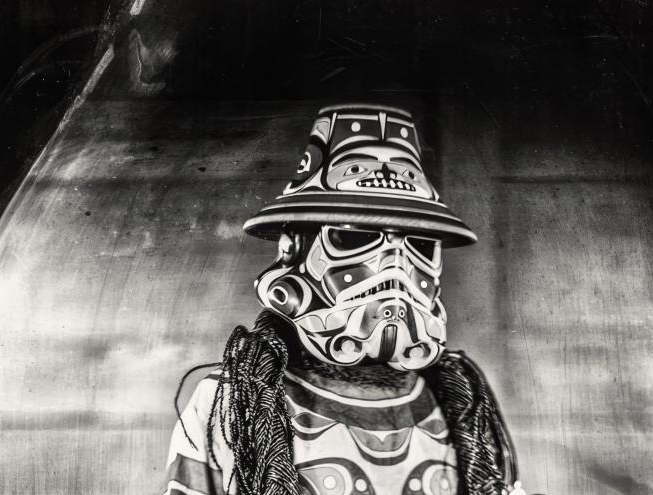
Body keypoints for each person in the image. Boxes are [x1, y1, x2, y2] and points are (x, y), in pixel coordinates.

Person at [163, 104, 524, 495]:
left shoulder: (461, 404)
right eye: (355, 238)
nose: (394, 268)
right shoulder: (233, 399)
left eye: (418, 244)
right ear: (292, 249)